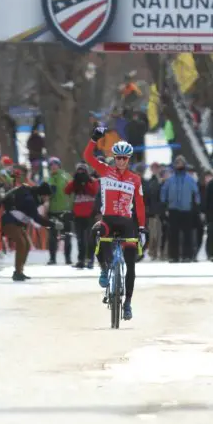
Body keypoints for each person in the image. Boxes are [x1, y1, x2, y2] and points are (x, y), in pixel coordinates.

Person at [84, 127, 146, 321]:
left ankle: (127, 303)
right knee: (96, 234)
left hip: (127, 222)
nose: (120, 161)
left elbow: (140, 205)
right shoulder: (105, 170)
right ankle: (103, 268)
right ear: (114, 158)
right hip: (108, 219)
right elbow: (87, 156)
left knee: (131, 264)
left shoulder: (135, 179)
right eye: (118, 158)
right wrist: (95, 138)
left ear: (129, 160)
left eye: (124, 158)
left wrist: (142, 228)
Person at [1, 183, 62, 281]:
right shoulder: (30, 200)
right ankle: (17, 272)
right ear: (42, 194)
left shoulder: (33, 197)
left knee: (26, 245)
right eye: (47, 197)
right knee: (22, 243)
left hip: (17, 223)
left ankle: (19, 271)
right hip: (9, 221)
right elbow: (37, 218)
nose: (47, 200)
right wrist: (53, 224)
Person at [160, 155, 199, 262]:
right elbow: (164, 192)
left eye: (181, 163)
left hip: (186, 209)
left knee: (187, 234)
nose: (179, 165)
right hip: (173, 209)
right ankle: (173, 256)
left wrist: (196, 205)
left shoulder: (190, 179)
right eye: (177, 163)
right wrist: (164, 205)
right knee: (173, 234)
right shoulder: (170, 180)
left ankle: (187, 255)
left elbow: (196, 193)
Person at [64, 163, 99, 269]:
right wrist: (76, 182)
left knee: (89, 238)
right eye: (78, 171)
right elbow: (66, 190)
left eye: (82, 171)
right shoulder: (75, 182)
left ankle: (90, 259)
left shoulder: (93, 181)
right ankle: (81, 260)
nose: (80, 173)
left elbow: (94, 191)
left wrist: (85, 183)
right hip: (78, 215)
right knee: (80, 239)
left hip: (90, 214)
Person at [46, 157, 73, 265]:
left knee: (66, 235)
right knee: (52, 236)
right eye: (51, 165)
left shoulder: (66, 176)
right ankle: (52, 258)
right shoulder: (47, 178)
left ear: (59, 165)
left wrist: (72, 207)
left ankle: (68, 258)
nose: (53, 166)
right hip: (52, 210)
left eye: (55, 164)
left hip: (65, 210)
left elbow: (72, 191)